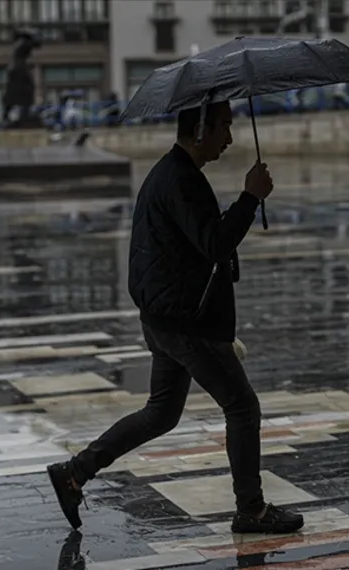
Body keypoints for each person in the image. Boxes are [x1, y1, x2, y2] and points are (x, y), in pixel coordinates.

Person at [47, 100, 305, 535]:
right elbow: (214, 244)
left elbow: (195, 243)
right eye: (223, 126)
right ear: (200, 128)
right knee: (242, 407)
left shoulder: (171, 173)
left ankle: (75, 472)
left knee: (162, 412)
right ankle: (252, 510)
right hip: (186, 322)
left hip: (164, 318)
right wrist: (249, 198)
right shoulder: (181, 180)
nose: (229, 137)